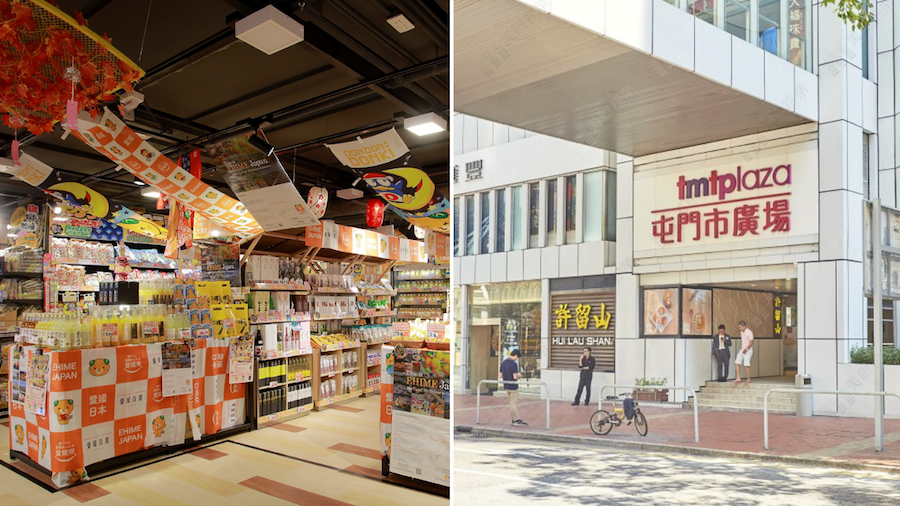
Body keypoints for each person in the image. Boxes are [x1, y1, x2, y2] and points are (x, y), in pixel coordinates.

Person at [500, 349, 527, 426]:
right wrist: (520, 375)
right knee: (513, 403)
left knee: (511, 403)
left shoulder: (503, 362)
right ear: (515, 356)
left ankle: (513, 419)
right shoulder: (514, 364)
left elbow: (500, 375)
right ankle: (516, 420)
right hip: (513, 386)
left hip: (506, 385)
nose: (517, 359)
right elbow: (515, 376)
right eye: (517, 357)